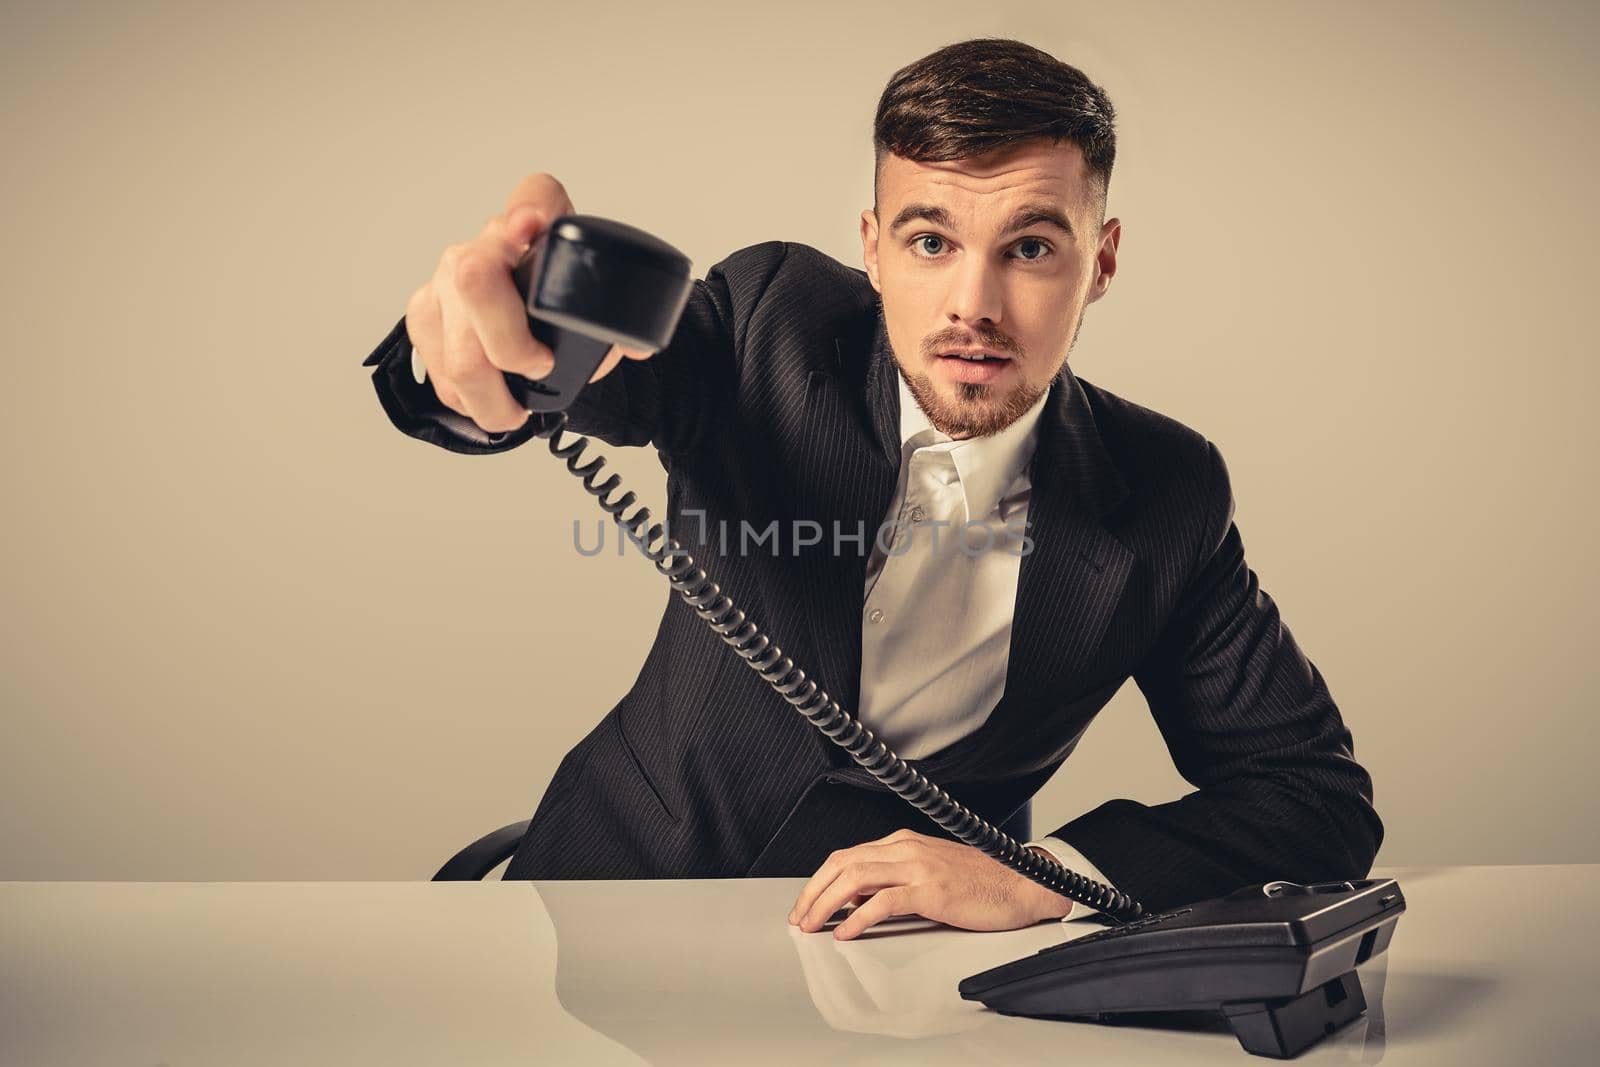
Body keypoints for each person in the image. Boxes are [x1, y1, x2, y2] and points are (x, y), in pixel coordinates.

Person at [361, 37, 1382, 941]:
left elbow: (1312, 795)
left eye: (1028, 247)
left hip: (911, 974)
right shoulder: (772, 323)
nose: (972, 305)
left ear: (1100, 260)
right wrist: (487, 368)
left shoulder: (1166, 487)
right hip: (604, 909)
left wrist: (1045, 877)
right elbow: (607, 379)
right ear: (871, 246)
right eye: (930, 241)